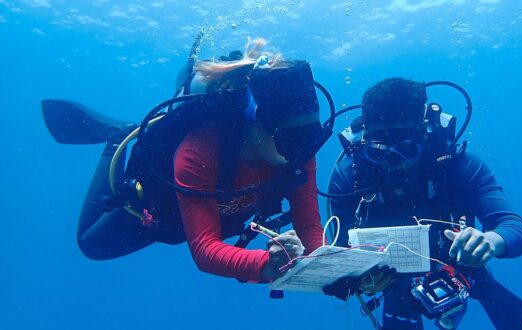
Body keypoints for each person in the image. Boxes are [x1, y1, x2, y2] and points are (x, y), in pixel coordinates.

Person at [41, 38, 325, 282]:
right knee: (92, 245)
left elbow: (310, 226)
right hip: (165, 213)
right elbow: (204, 249)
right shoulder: (199, 151)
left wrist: (337, 270)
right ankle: (118, 136)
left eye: (308, 139)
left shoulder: (298, 150)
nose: (299, 153)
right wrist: (265, 265)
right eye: (289, 140)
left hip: (219, 216)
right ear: (255, 123)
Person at [325, 78, 522, 329]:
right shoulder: (350, 176)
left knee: (483, 287)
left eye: (407, 149)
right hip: (393, 282)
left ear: (425, 133)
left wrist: (490, 241)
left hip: (460, 269)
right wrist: (352, 277)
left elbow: (515, 228)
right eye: (379, 150)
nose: (394, 162)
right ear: (365, 139)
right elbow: (341, 245)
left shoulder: (458, 166)